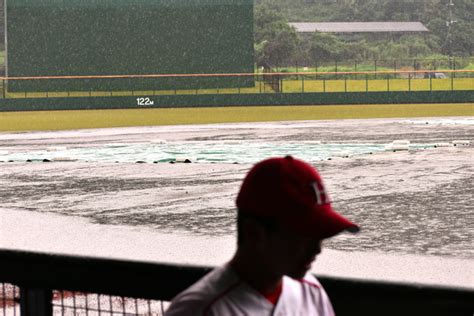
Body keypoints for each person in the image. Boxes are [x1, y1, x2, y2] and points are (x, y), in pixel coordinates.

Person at [165, 156, 359, 316]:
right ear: (254, 233)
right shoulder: (199, 310)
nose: (317, 249)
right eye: (304, 236)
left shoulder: (310, 291)